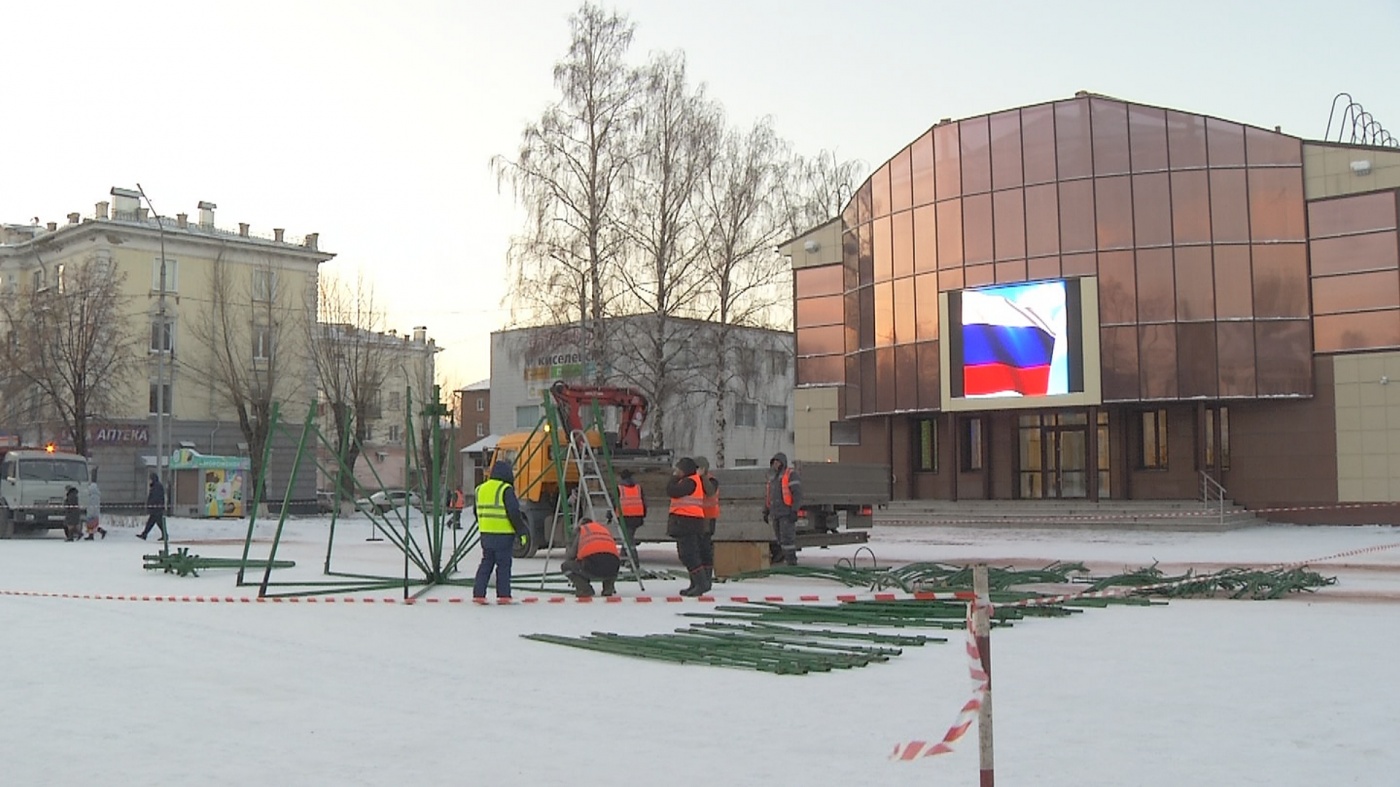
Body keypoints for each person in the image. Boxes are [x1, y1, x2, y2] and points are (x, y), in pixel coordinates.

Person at [472, 459, 527, 601]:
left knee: (486, 563)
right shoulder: (505, 489)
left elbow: (475, 511)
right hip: (503, 534)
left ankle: (478, 594)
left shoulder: (480, 489)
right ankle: (503, 595)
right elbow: (513, 513)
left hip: (486, 534)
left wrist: (484, 524)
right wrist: (521, 531)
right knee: (503, 565)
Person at [667, 456, 710, 597]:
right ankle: (695, 584)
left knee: (689, 555)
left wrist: (673, 478)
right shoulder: (689, 481)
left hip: (688, 522)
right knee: (689, 554)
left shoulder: (690, 481)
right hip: (687, 522)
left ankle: (701, 583)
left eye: (678, 469)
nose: (676, 472)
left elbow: (672, 491)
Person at [560, 519, 621, 598]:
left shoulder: (582, 530)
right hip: (613, 567)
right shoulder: (603, 529)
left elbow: (571, 555)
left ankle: (584, 589)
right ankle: (608, 588)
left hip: (592, 566)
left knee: (566, 566)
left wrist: (569, 544)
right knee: (609, 561)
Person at [763, 452, 802, 566]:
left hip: (786, 513)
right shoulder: (773, 478)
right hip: (776, 514)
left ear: (782, 462)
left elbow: (797, 494)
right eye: (774, 462)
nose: (775, 464)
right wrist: (766, 511)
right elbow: (769, 496)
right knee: (780, 539)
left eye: (777, 462)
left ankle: (791, 562)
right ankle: (787, 560)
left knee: (787, 540)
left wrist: (794, 510)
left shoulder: (790, 475)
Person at [694, 456, 719, 585]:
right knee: (696, 548)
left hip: (708, 518)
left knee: (705, 548)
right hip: (696, 517)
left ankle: (707, 577)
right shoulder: (693, 480)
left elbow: (709, 492)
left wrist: (702, 477)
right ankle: (701, 578)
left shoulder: (711, 480)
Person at [616, 468, 646, 563]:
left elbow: (614, 502)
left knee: (629, 539)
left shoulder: (619, 488)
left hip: (625, 517)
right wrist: (643, 515)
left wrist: (609, 515)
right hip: (637, 517)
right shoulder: (638, 487)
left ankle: (634, 561)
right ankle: (623, 558)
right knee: (628, 537)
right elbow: (643, 502)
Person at [137, 472, 168, 541]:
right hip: (156, 509)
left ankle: (164, 535)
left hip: (156, 509)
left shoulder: (157, 487)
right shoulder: (155, 486)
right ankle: (145, 534)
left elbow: (155, 498)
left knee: (157, 523)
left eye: (150, 479)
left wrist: (151, 505)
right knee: (151, 522)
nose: (149, 481)